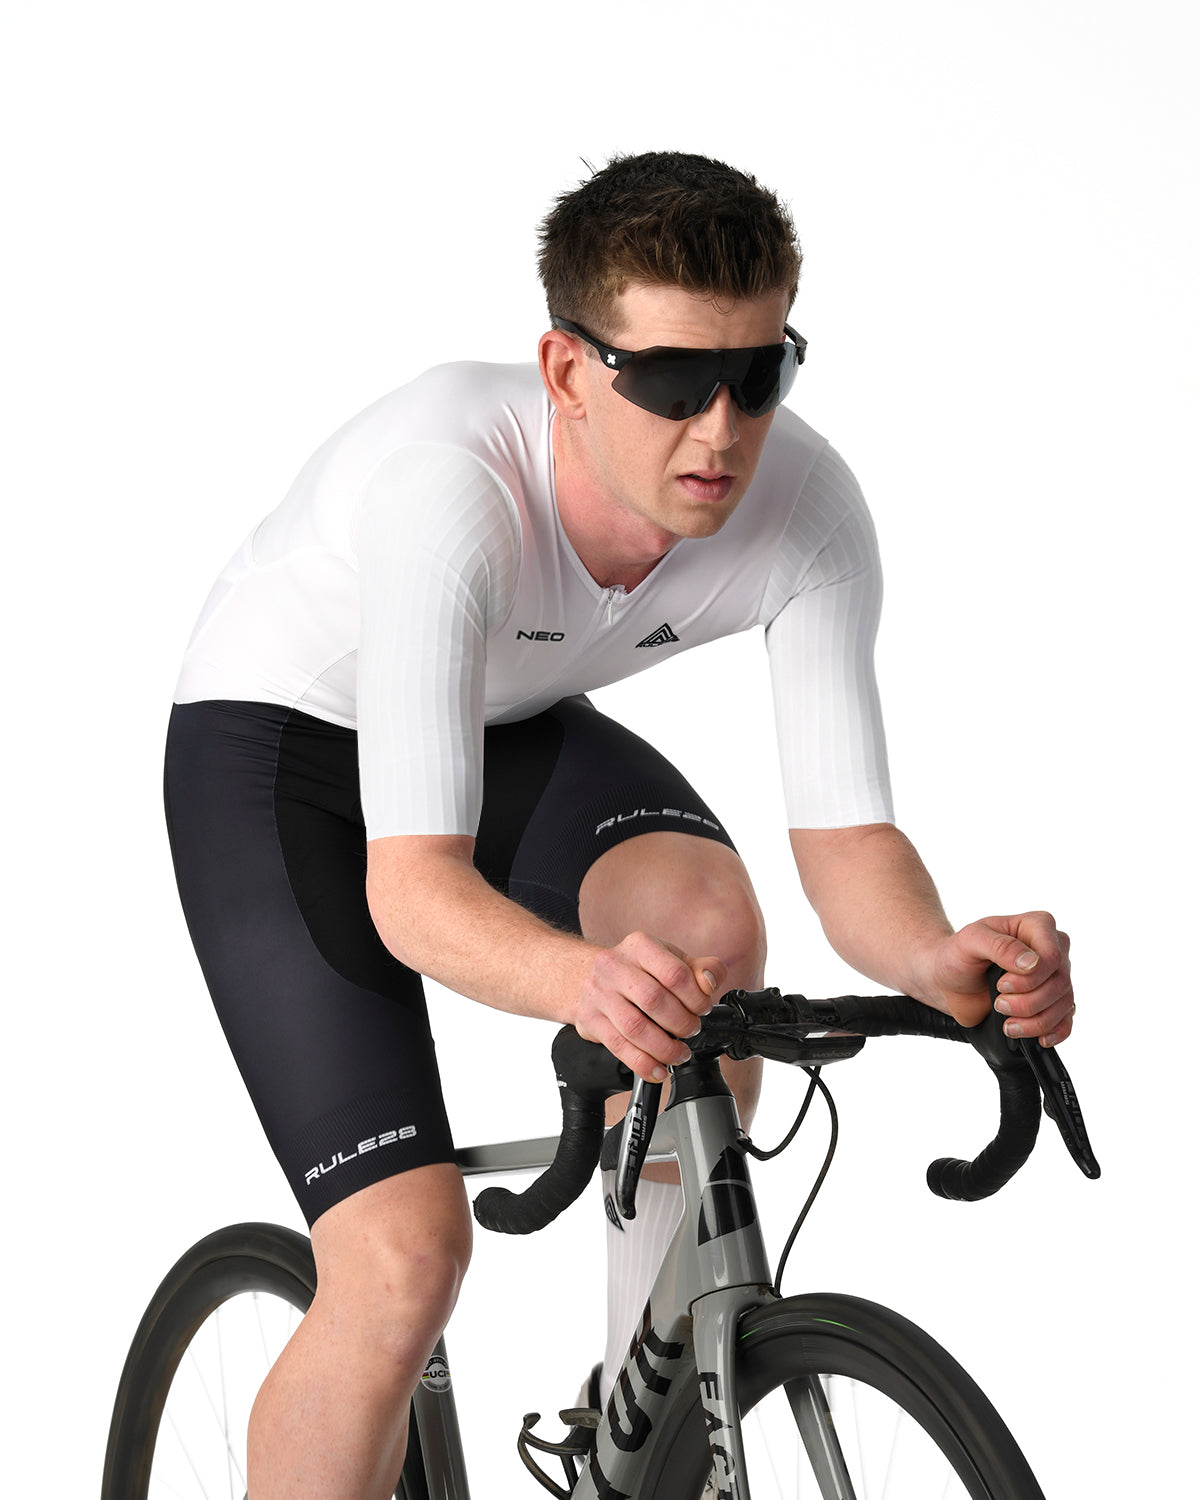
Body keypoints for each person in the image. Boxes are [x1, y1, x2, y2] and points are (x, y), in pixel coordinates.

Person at [164, 151, 1074, 1500]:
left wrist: (936, 957)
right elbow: (412, 894)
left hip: (498, 716)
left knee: (702, 929)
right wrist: (581, 984)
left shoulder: (807, 508)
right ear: (567, 371)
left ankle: (634, 1438)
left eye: (757, 374)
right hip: (277, 749)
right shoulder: (446, 491)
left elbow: (846, 845)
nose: (721, 430)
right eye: (671, 380)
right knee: (404, 1261)